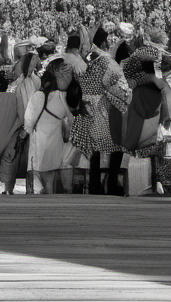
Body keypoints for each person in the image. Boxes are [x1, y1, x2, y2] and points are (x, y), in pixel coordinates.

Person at [69, 25, 131, 195]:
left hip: (84, 106)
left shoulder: (81, 59)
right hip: (103, 106)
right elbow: (115, 83)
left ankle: (95, 184)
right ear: (103, 42)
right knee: (116, 145)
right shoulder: (104, 59)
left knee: (94, 148)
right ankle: (111, 183)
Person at [24, 57, 77, 194]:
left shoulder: (39, 96)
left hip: (39, 145)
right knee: (53, 179)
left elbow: (28, 123)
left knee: (39, 182)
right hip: (58, 146)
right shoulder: (66, 97)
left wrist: (29, 130)